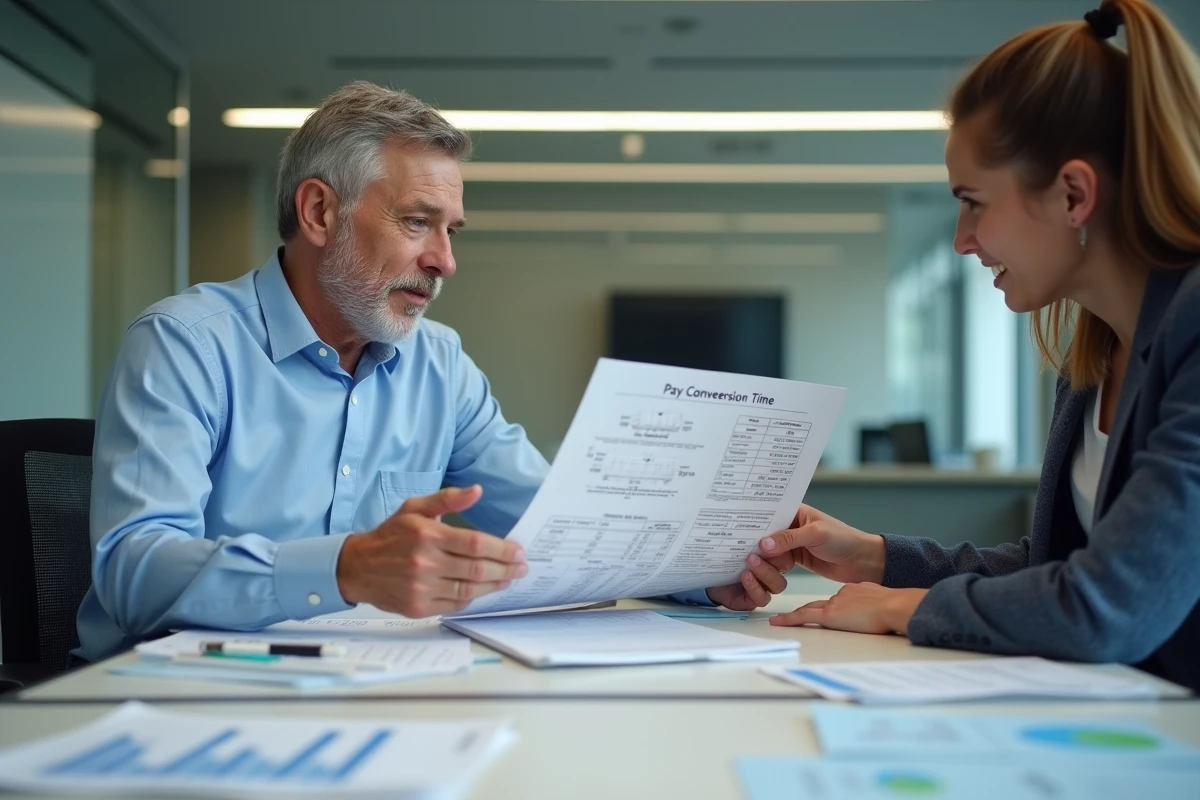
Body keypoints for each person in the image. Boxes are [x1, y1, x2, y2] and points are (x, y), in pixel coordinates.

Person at [76, 82, 787, 662]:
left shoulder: (438, 362)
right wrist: (348, 568)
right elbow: (134, 572)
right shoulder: (185, 345)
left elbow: (559, 529)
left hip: (370, 680)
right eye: (417, 222)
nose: (445, 261)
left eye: (451, 231)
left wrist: (705, 574)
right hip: (184, 691)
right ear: (320, 212)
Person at [762, 0, 1200, 692]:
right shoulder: (1092, 359)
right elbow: (1056, 570)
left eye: (974, 203)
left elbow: (1106, 606)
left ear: (1073, 194)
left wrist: (904, 609)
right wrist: (876, 558)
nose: (962, 240)